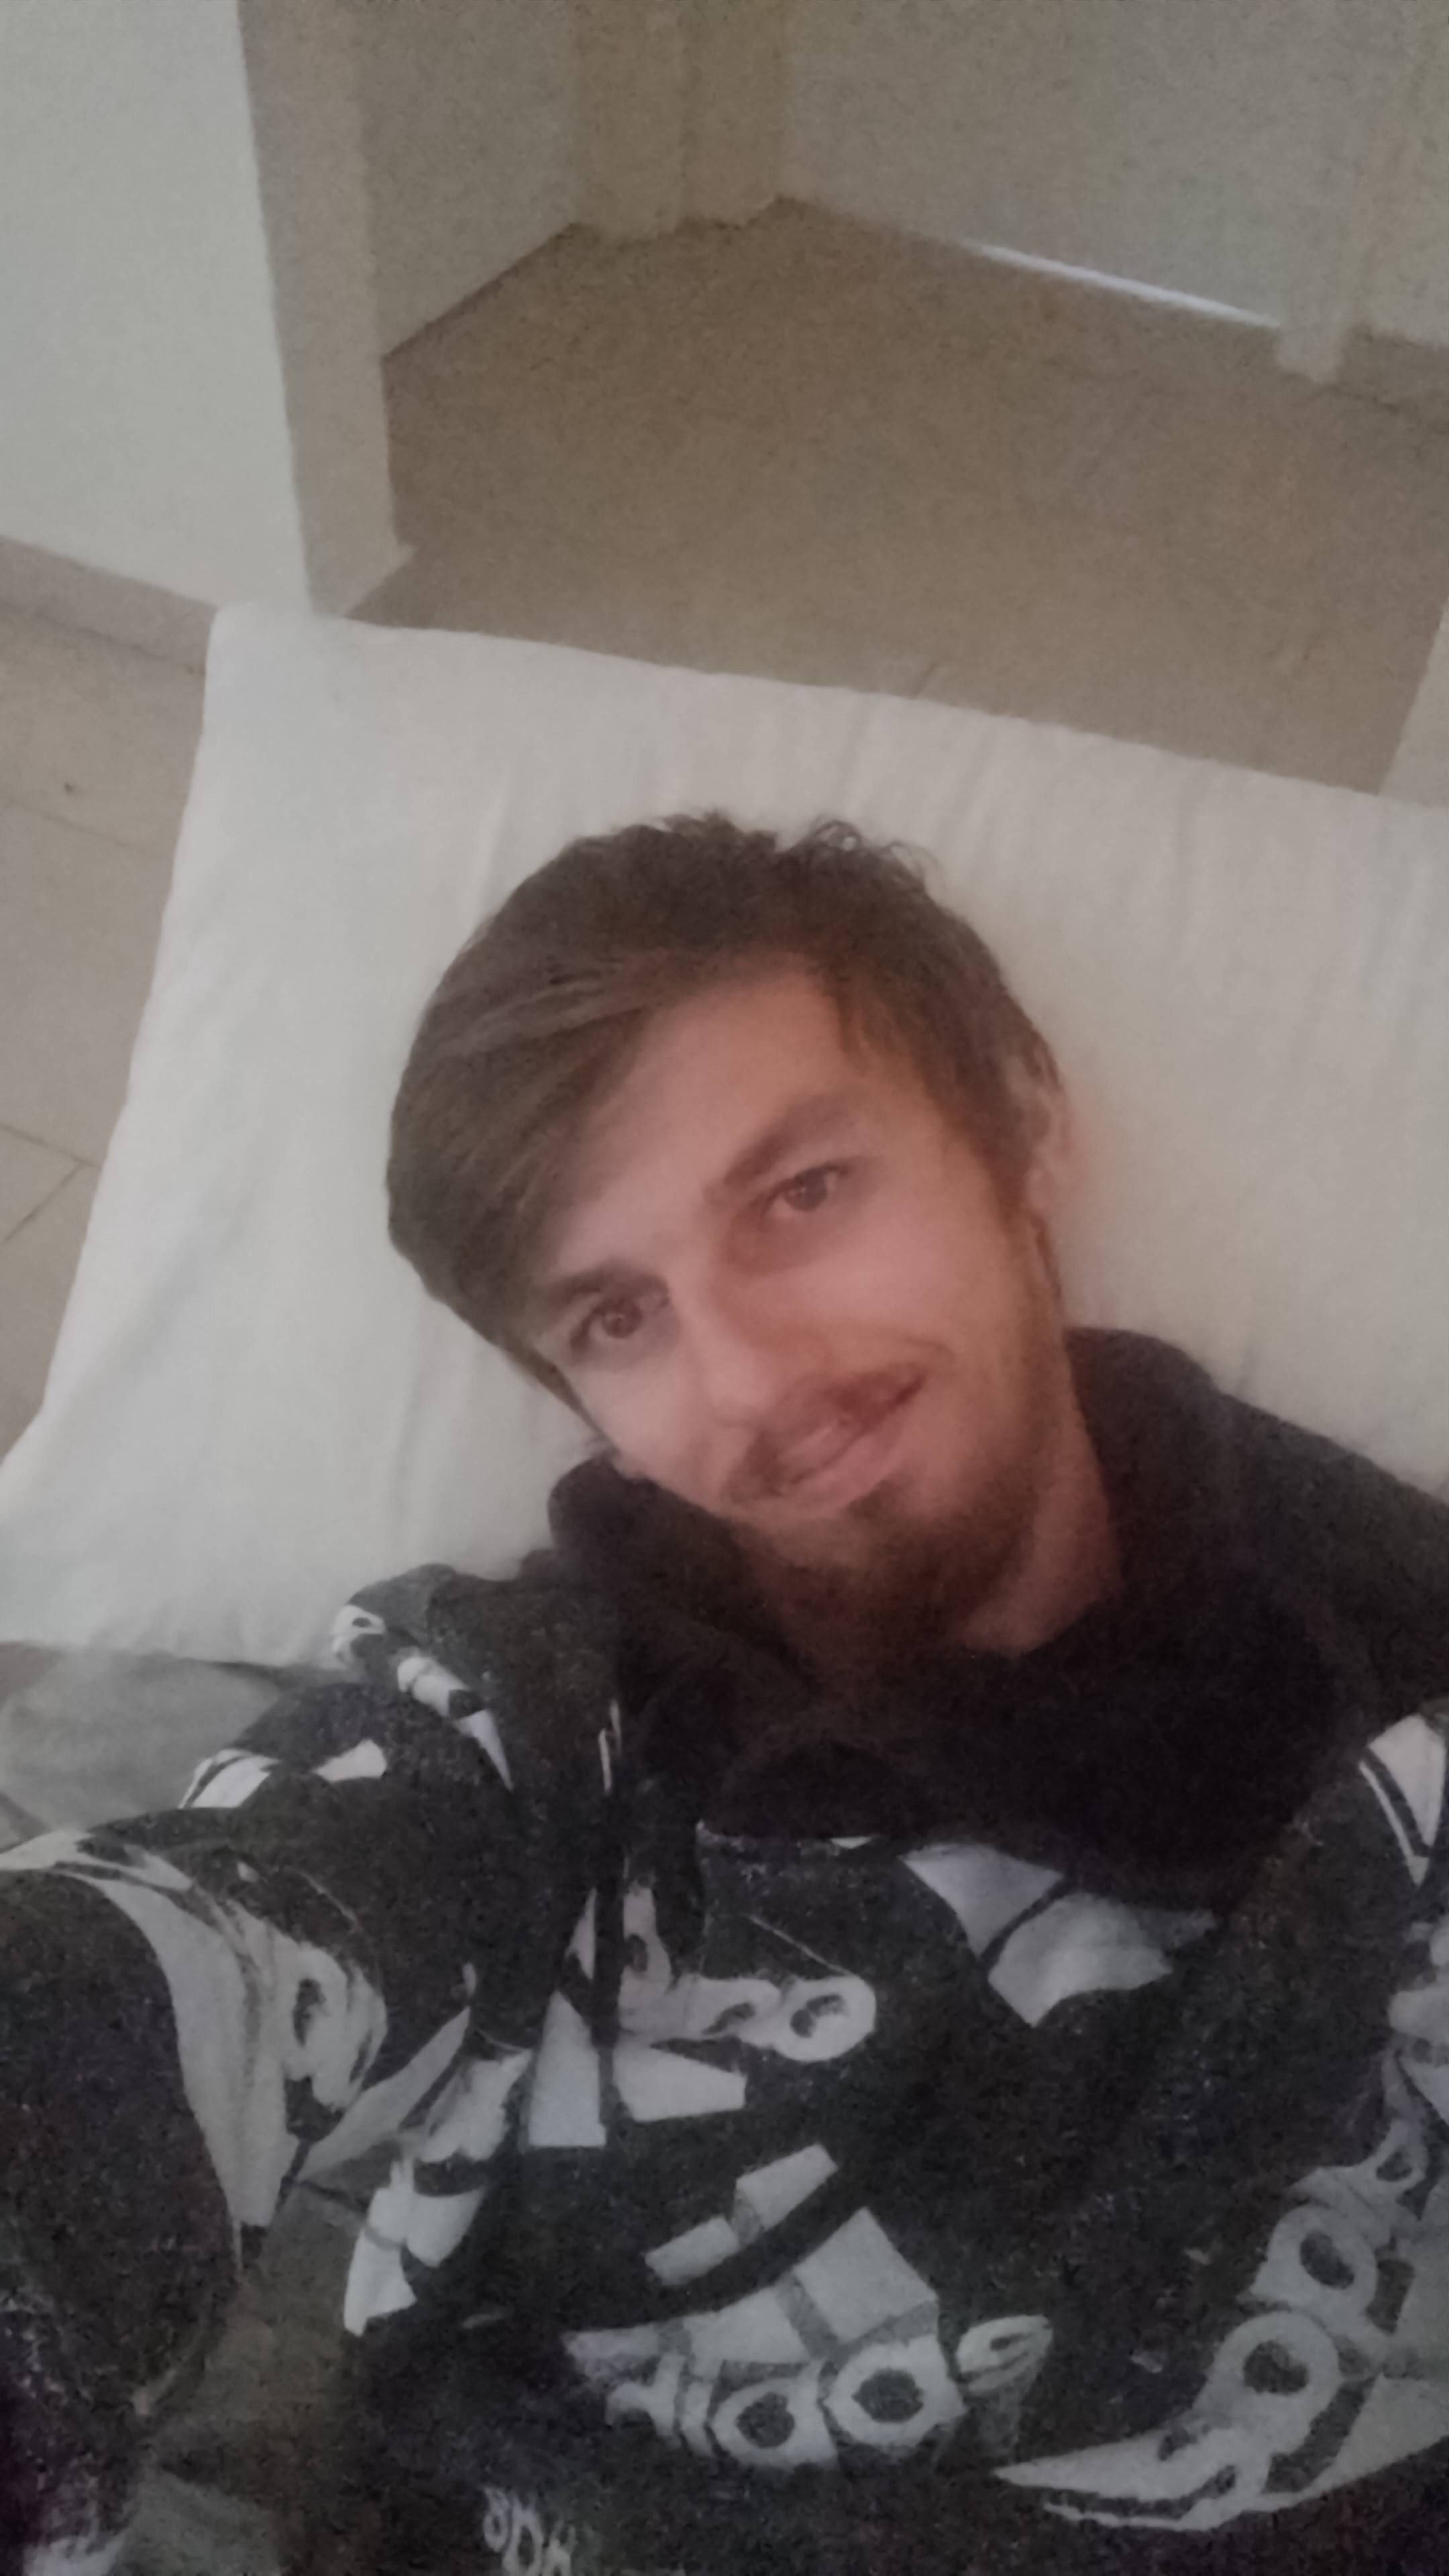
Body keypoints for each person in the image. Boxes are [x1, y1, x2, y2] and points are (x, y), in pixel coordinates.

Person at [4, 814, 1449, 2576]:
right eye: (620, 1318)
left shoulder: (1398, 1687)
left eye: (804, 1193)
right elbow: (174, 1966)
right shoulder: (522, 1730)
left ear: (1023, 1122)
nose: (754, 1380)